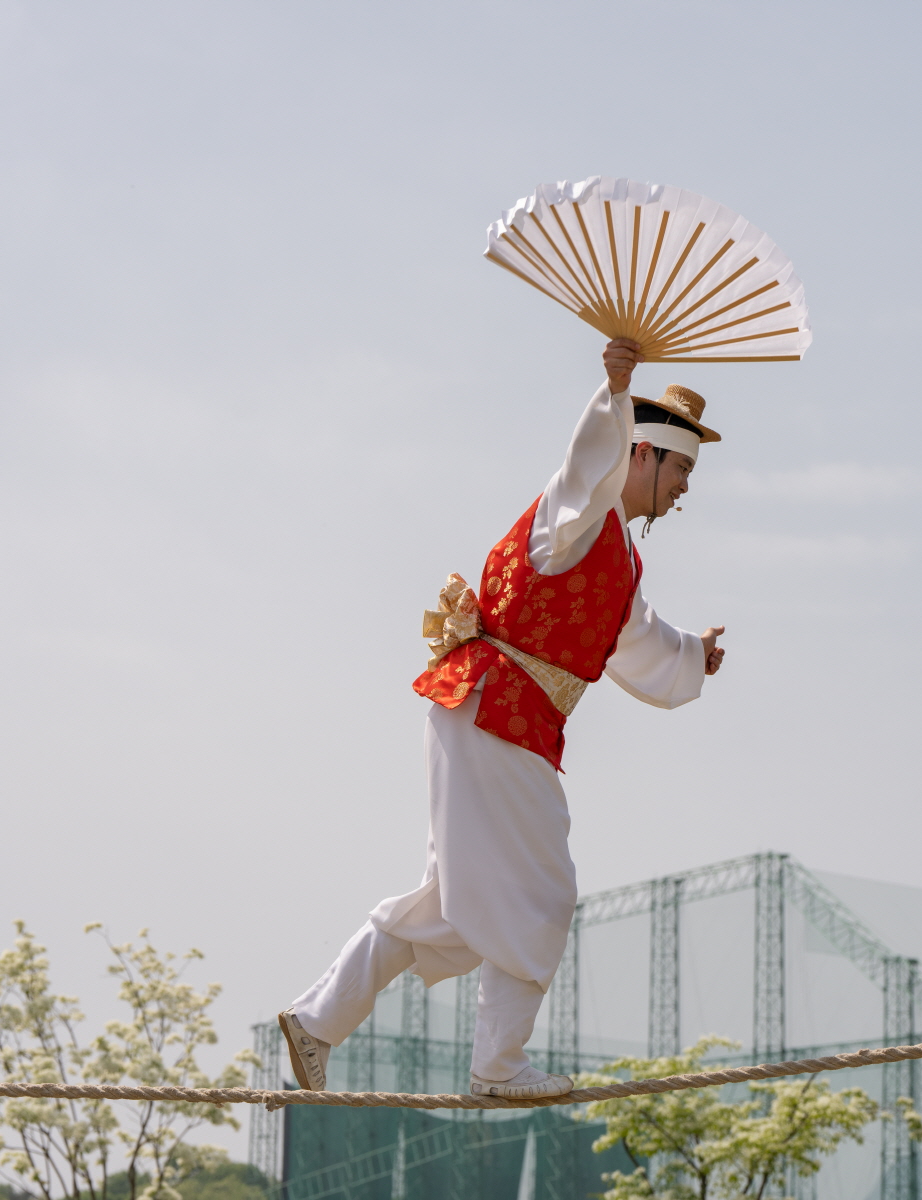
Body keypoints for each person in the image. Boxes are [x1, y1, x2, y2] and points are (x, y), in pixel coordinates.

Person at [279, 337, 726, 1099]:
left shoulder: (613, 551)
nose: (686, 487)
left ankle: (319, 1020)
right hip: (501, 713)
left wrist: (693, 653)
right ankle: (498, 1067)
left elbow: (638, 644)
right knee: (541, 892)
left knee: (453, 907)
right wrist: (615, 391)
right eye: (681, 467)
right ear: (641, 455)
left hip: (490, 712)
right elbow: (588, 464)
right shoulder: (576, 515)